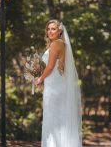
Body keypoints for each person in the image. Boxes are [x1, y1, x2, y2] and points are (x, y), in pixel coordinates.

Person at [35, 19, 82, 147]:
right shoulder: (61, 44)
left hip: (54, 89)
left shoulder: (56, 44)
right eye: (48, 29)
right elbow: (56, 67)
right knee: (58, 119)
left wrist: (40, 79)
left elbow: (50, 67)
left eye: (53, 29)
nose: (50, 31)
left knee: (53, 120)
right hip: (56, 84)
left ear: (59, 31)